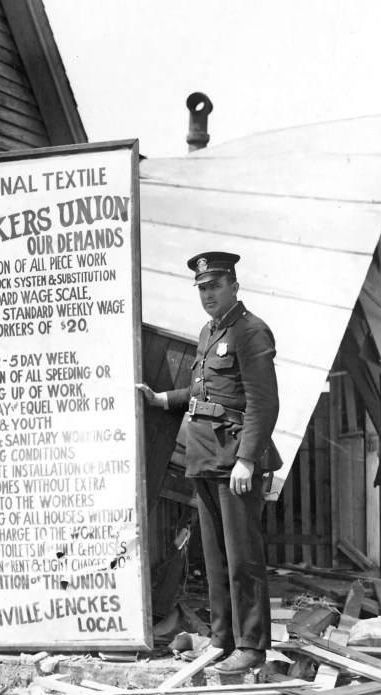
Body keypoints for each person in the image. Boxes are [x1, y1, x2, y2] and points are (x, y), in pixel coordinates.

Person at [136, 252, 279, 675]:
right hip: (205, 458)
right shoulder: (209, 331)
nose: (208, 295)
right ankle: (223, 640)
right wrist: (161, 399)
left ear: (234, 286)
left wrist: (247, 460)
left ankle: (251, 646)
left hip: (234, 460)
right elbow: (203, 395)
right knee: (215, 558)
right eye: (202, 288)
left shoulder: (250, 331)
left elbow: (263, 403)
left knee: (243, 558)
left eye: (215, 286)